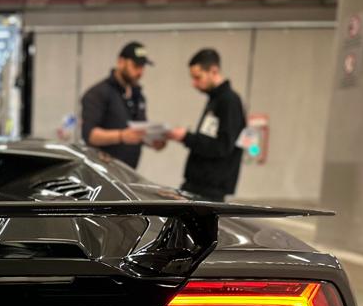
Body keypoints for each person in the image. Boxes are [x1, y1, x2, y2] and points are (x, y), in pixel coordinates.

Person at [167, 48, 247, 202]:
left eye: (198, 77)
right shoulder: (215, 99)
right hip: (197, 184)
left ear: (214, 70)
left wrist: (187, 137)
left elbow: (222, 146)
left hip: (210, 189)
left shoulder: (229, 101)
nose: (194, 83)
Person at [80, 41, 165, 169]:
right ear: (121, 62)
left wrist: (153, 141)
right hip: (102, 172)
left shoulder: (138, 96)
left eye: (143, 67)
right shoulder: (98, 93)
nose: (140, 72)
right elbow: (90, 135)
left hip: (128, 172)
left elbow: (138, 132)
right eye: (136, 66)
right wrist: (121, 136)